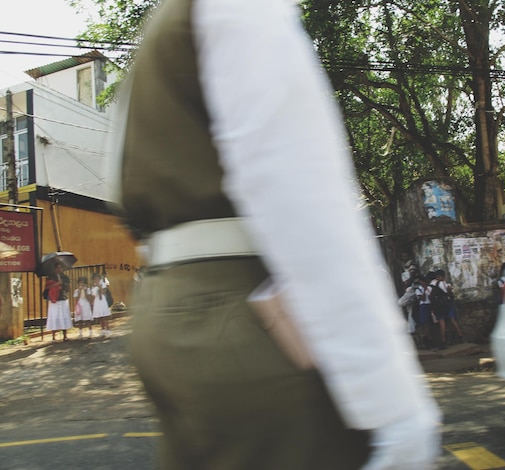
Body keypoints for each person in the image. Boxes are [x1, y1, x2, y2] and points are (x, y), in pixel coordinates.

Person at [109, 0, 440, 468]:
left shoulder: (163, 25)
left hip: (166, 309)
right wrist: (393, 402)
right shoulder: (242, 8)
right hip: (246, 321)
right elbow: (303, 198)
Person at [45, 262, 72, 341]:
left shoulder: (65, 277)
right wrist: (57, 284)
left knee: (63, 316)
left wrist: (63, 286)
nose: (59, 269)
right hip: (54, 299)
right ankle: (53, 336)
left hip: (63, 298)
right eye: (57, 268)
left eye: (61, 268)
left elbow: (69, 288)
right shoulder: (51, 277)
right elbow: (47, 287)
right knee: (54, 316)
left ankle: (65, 335)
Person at [89, 273, 111, 338]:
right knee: (100, 317)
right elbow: (93, 295)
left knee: (104, 317)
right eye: (95, 279)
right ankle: (103, 330)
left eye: (97, 278)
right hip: (97, 301)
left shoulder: (103, 284)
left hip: (102, 301)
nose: (96, 280)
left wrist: (99, 286)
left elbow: (103, 292)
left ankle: (108, 330)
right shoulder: (93, 286)